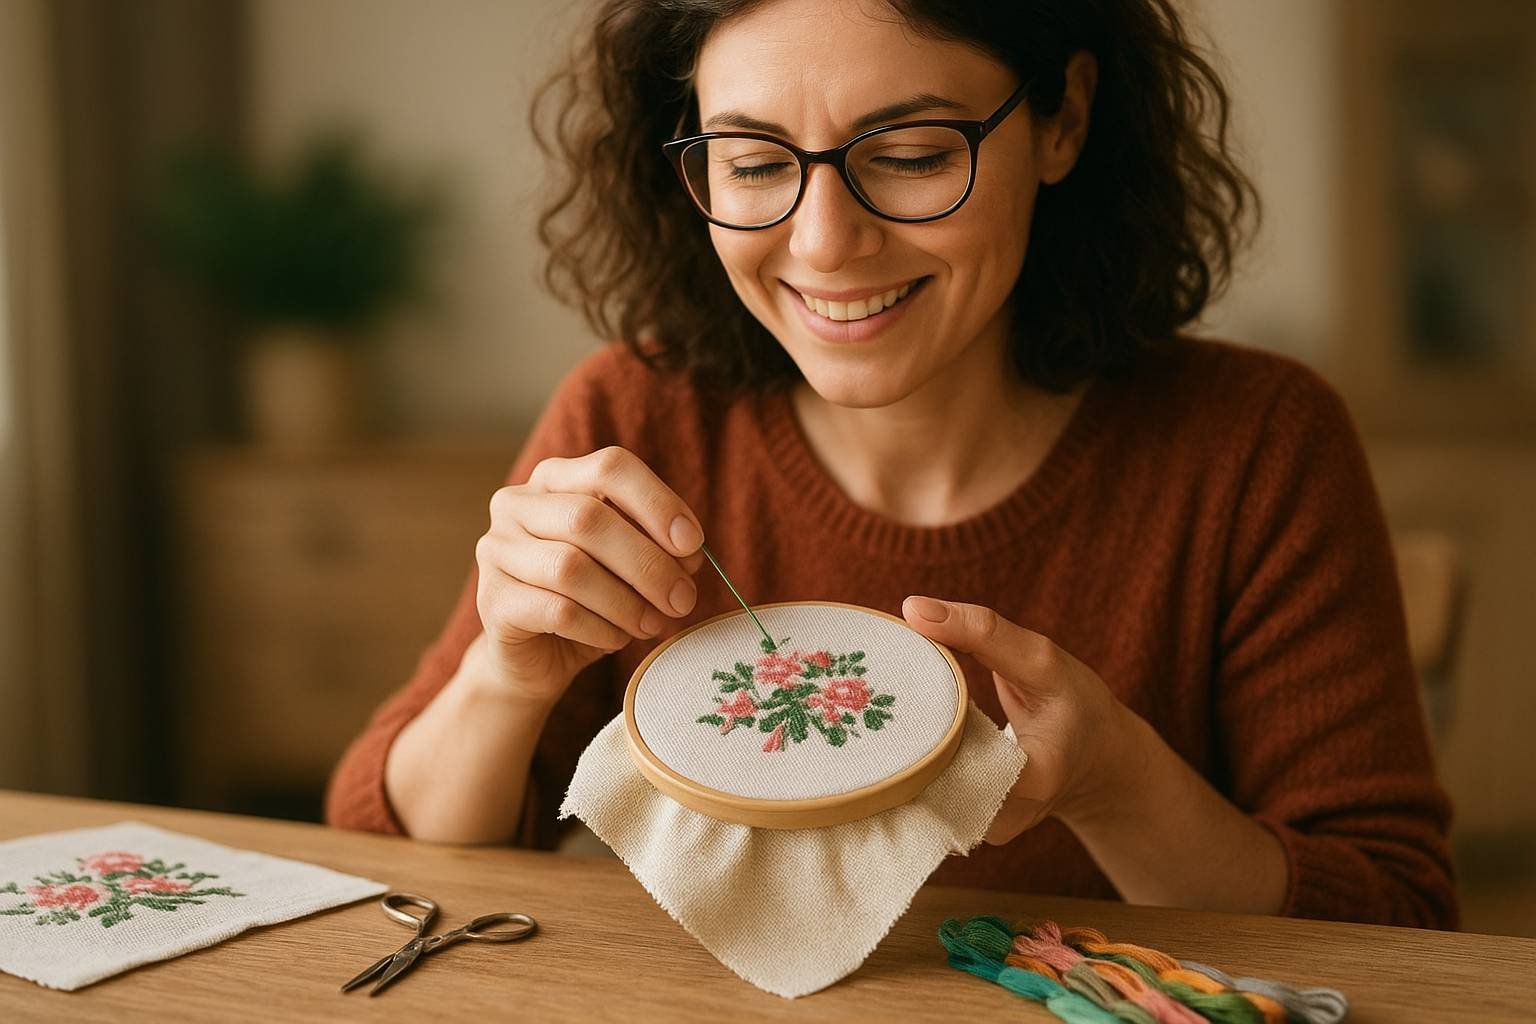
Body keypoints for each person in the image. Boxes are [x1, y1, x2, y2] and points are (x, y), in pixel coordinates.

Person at [327, 0, 1458, 929]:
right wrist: (506, 679)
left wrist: (1118, 783)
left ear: (1062, 120)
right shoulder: (635, 416)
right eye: (752, 163)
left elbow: (1397, 923)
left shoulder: (1255, 445)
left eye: (912, 155)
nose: (824, 243)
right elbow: (384, 846)